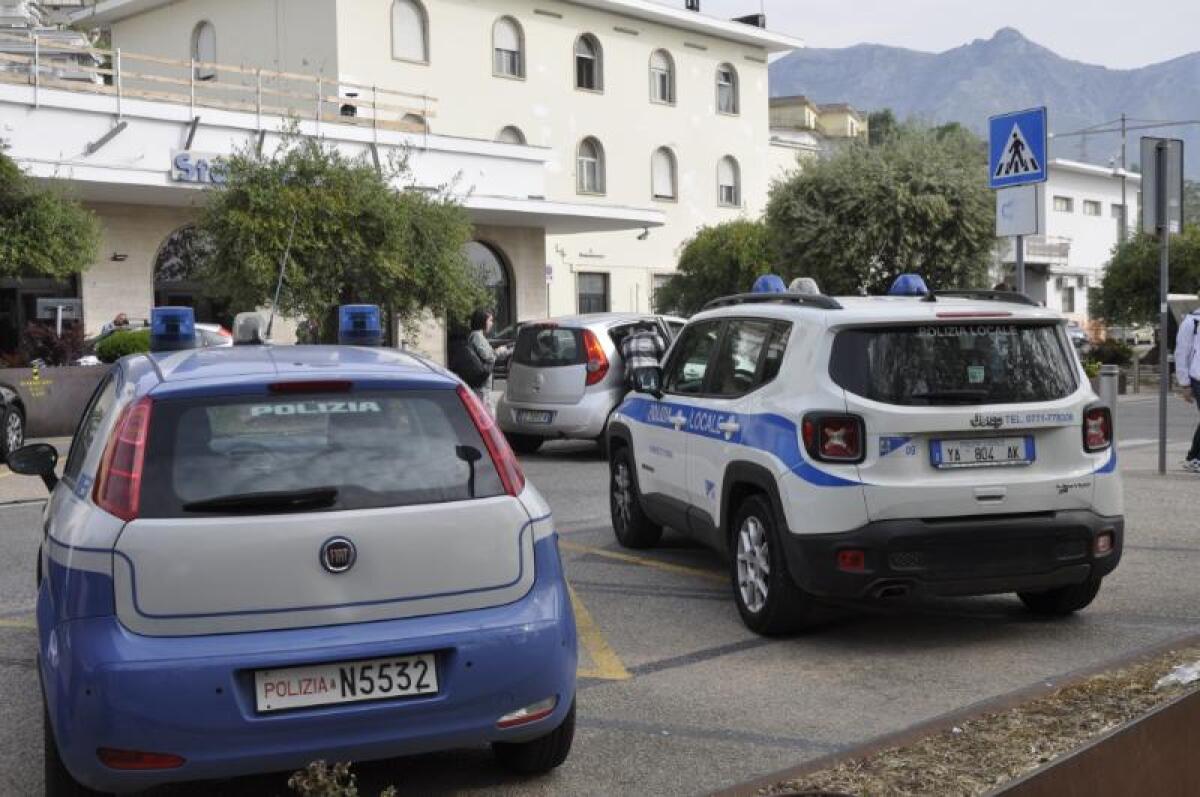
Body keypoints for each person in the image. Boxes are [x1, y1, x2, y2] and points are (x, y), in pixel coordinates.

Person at [1175, 302, 1200, 472]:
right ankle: (1195, 459)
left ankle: (1193, 457)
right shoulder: (1192, 322)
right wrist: (1184, 383)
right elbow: (1181, 353)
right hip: (1197, 377)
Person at [621, 321, 667, 393]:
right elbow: (663, 349)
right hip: (649, 377)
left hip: (632, 378)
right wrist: (655, 332)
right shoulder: (654, 337)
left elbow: (624, 356)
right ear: (648, 329)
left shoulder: (626, 341)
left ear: (635, 330)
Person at [467, 309, 498, 412]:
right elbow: (488, 357)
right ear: (482, 321)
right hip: (481, 385)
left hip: (482, 384)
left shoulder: (476, 335)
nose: (491, 324)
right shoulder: (477, 336)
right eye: (490, 320)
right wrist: (498, 352)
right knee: (486, 414)